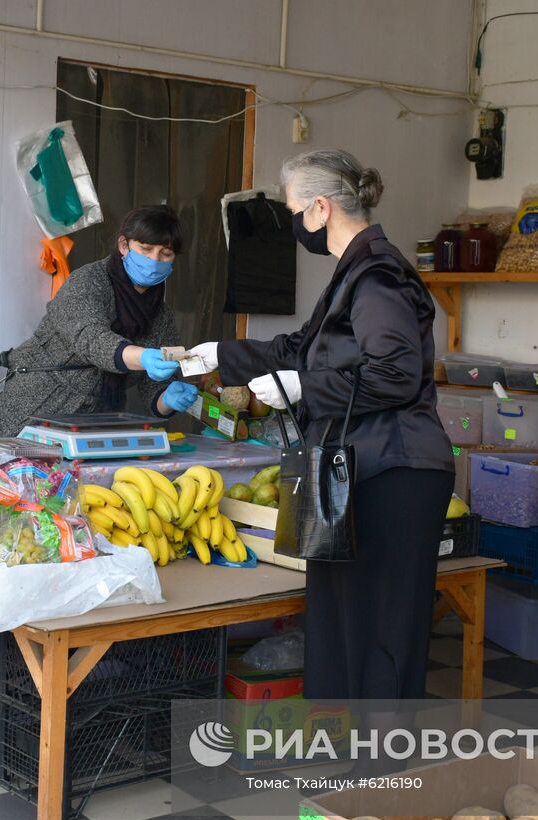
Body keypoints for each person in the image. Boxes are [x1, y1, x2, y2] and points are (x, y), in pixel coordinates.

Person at [187, 149, 454, 700]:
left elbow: (397, 375)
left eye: (293, 210)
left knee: (381, 628)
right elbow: (299, 348)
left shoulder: (378, 276)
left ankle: (383, 770)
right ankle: (346, 749)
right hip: (355, 469)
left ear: (321, 208)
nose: (293, 224)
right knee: (338, 619)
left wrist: (304, 387)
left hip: (396, 471)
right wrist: (219, 354)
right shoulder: (352, 272)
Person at [0, 205, 199, 436]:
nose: (154, 261)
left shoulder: (161, 317)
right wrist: (142, 356)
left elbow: (154, 388)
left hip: (92, 424)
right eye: (145, 249)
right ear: (124, 246)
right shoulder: (88, 281)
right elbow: (91, 339)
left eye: (165, 254)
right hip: (29, 408)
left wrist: (169, 398)